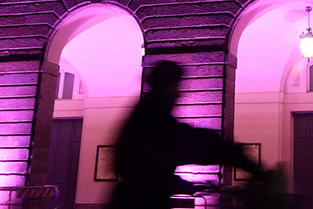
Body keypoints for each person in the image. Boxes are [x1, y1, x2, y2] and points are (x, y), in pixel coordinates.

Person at [110, 61, 263, 209]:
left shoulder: (142, 115)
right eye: (175, 86)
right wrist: (251, 166)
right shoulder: (155, 121)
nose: (178, 95)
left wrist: (189, 185)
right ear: (165, 87)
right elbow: (198, 144)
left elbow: (153, 172)